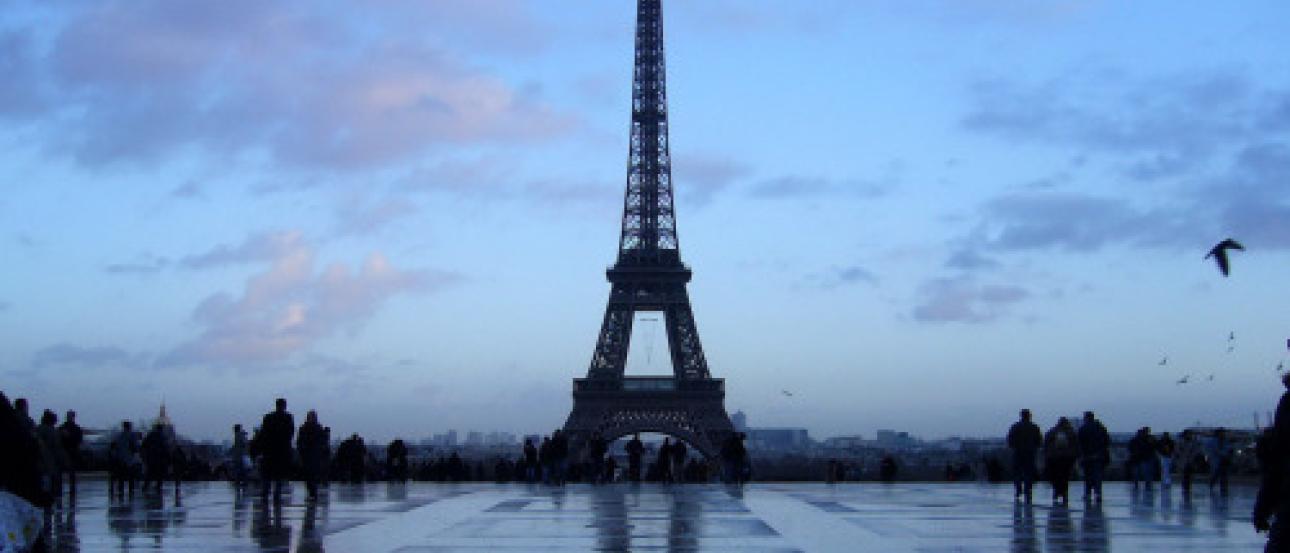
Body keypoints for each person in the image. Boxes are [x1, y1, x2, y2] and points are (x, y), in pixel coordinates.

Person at [258, 398, 295, 503]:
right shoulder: (288, 417)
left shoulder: (268, 417)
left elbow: (263, 434)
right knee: (279, 475)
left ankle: (265, 494)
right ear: (284, 406)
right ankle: (276, 496)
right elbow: (290, 433)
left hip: (269, 450)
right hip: (281, 450)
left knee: (267, 475)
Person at [1007, 409, 1043, 503]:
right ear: (1029, 416)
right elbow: (1039, 440)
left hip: (1018, 451)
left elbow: (1010, 439)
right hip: (1030, 452)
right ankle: (1028, 490)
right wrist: (1035, 447)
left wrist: (1014, 446)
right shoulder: (1034, 427)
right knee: (1028, 472)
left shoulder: (1016, 426)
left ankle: (1018, 488)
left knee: (1017, 471)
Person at [1043, 417, 1079, 505]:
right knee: (1065, 476)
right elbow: (1076, 446)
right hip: (1067, 458)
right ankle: (1064, 493)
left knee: (1055, 476)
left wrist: (1047, 455)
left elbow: (1046, 445)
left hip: (1054, 458)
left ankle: (1056, 492)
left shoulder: (1052, 432)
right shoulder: (1071, 433)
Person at [36, 410, 69, 502]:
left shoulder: (39, 430)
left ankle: (45, 497)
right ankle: (53, 498)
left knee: (45, 481)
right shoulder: (53, 432)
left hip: (42, 460)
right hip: (51, 461)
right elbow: (57, 447)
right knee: (53, 481)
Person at [1077, 411, 1110, 502]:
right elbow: (1107, 441)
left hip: (1087, 456)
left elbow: (1079, 442)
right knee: (1097, 475)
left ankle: (1088, 493)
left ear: (1086, 418)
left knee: (1088, 475)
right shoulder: (1101, 428)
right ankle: (1098, 493)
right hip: (1099, 455)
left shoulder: (1083, 428)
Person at [297, 411, 328, 499]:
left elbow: (323, 441)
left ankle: (312, 491)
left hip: (314, 454)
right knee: (309, 474)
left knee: (312, 473)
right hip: (309, 454)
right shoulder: (312, 428)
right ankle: (312, 490)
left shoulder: (313, 428)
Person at [108, 420, 140, 497]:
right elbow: (136, 447)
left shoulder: (118, 435)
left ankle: (119, 490)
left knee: (120, 476)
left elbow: (112, 446)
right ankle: (130, 491)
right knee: (130, 476)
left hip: (119, 458)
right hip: (128, 458)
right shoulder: (132, 435)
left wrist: (114, 455)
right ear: (130, 427)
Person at [141, 422, 172, 494]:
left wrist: (145, 454)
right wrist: (168, 458)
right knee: (159, 474)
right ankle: (158, 487)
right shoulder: (162, 437)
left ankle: (145, 486)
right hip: (160, 458)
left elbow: (144, 445)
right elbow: (166, 448)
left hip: (151, 457)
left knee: (149, 473)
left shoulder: (150, 435)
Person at [60, 410, 83, 497]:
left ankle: (70, 489)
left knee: (70, 472)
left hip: (69, 451)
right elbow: (79, 440)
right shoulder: (75, 428)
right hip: (69, 451)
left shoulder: (64, 428)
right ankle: (71, 489)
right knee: (69, 472)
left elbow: (78, 440)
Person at [1176, 429, 1202, 495]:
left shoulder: (1194, 442)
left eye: (1190, 434)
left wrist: (1193, 456)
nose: (1190, 435)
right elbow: (1177, 452)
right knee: (1184, 476)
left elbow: (1197, 451)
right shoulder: (1180, 442)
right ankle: (1185, 489)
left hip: (1191, 461)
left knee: (1190, 476)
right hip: (1183, 462)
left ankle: (1188, 488)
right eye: (1188, 434)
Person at [1208, 427, 1233, 496]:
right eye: (1221, 433)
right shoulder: (1213, 441)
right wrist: (1222, 454)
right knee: (1216, 474)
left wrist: (1227, 454)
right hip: (1217, 459)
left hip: (1224, 460)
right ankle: (1212, 485)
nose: (1223, 434)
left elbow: (1229, 448)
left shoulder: (1225, 441)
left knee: (1223, 475)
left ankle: (1223, 488)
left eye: (1223, 433)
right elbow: (1214, 450)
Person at [229, 424, 249, 488]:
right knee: (242, 469)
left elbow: (241, 444)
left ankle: (239, 481)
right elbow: (244, 443)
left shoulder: (237, 435)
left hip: (239, 456)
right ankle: (243, 481)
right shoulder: (240, 435)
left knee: (239, 469)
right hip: (241, 455)